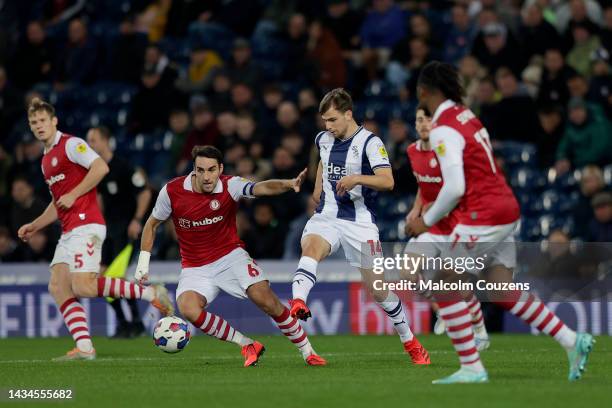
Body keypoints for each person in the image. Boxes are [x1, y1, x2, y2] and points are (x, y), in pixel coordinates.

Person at [406, 61, 594, 383]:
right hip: (506, 208)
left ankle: (472, 367)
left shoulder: (443, 128)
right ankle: (571, 340)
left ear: (424, 91)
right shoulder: (467, 116)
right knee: (501, 291)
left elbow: (454, 188)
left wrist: (427, 220)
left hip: (483, 214)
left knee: (443, 283)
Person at [134, 145, 326, 367]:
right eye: (201, 170)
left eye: (212, 170)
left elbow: (259, 188)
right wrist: (143, 263)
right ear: (193, 170)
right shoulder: (172, 191)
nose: (206, 176)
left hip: (231, 257)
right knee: (188, 308)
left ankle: (307, 351)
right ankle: (247, 344)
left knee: (267, 301)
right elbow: (152, 224)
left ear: (220, 169)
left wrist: (288, 183)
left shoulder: (230, 185)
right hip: (195, 267)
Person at [17, 98, 173, 361]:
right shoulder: (46, 160)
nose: (39, 126)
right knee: (58, 286)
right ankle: (85, 348)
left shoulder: (71, 144)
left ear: (54, 121)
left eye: (43, 120)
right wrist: (35, 225)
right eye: (34, 123)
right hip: (69, 230)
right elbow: (58, 203)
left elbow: (101, 166)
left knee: (85, 286)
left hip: (86, 224)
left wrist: (75, 193)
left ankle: (150, 293)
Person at [289, 88, 430, 364]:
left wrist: (356, 179)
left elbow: (388, 181)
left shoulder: (370, 142)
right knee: (311, 247)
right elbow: (322, 162)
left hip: (360, 223)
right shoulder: (323, 139)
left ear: (348, 114)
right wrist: (318, 189)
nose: (327, 127)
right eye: (325, 121)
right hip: (327, 215)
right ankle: (298, 301)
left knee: (378, 289)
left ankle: (409, 340)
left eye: (332, 120)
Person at [404, 106, 489, 348]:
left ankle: (480, 330)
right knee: (407, 272)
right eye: (419, 120)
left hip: (455, 223)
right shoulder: (412, 151)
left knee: (454, 284)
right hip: (430, 225)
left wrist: (439, 208)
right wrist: (416, 208)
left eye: (427, 119)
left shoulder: (448, 150)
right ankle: (442, 307)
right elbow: (424, 182)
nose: (422, 124)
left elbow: (460, 187)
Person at [87, 126, 153, 338]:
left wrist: (136, 220)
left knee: (117, 278)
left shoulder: (123, 166)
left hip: (125, 230)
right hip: (108, 231)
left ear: (106, 141)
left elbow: (144, 192)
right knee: (99, 281)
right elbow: (98, 199)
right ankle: (125, 322)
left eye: (94, 140)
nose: (90, 145)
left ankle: (135, 323)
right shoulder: (96, 169)